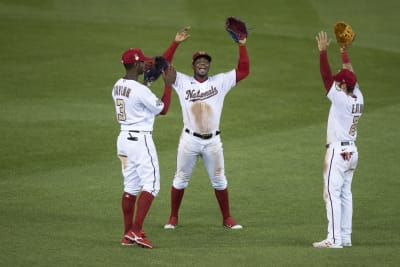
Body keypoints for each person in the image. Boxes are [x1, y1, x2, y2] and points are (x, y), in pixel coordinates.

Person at [162, 30, 250, 230]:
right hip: (189, 140)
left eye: (205, 61)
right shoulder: (181, 80)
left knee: (219, 180)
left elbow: (243, 70)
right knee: (180, 179)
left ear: (209, 65)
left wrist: (242, 45)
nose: (202, 63)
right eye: (199, 61)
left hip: (212, 141)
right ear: (193, 65)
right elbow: (163, 65)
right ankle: (173, 217)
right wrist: (175, 43)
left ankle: (227, 218)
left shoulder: (220, 81)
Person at [112, 27, 190, 249]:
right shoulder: (140, 91)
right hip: (140, 142)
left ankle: (127, 233)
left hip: (123, 142)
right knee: (152, 185)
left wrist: (174, 44)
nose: (145, 64)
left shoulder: (117, 86)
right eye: (141, 62)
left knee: (130, 186)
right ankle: (136, 231)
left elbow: (156, 66)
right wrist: (168, 85)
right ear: (135, 65)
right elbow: (163, 109)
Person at [313, 31, 364, 248]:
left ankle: (333, 240)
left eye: (339, 81)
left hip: (338, 152)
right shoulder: (358, 96)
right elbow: (350, 73)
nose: (336, 81)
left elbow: (326, 77)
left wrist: (323, 52)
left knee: (332, 194)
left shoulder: (341, 100)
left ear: (343, 86)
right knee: (345, 195)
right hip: (352, 152)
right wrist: (344, 53)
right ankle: (345, 237)